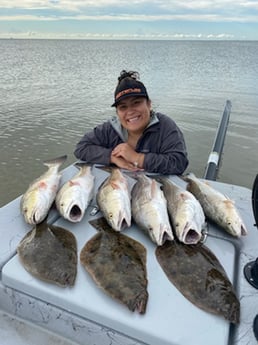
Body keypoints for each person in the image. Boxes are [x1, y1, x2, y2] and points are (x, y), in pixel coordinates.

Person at [74, 70, 188, 175]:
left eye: (136, 103)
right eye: (123, 107)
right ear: (117, 112)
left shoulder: (165, 126)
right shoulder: (110, 129)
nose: (130, 111)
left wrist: (137, 158)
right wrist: (111, 157)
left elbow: (179, 163)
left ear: (149, 104)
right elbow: (81, 148)